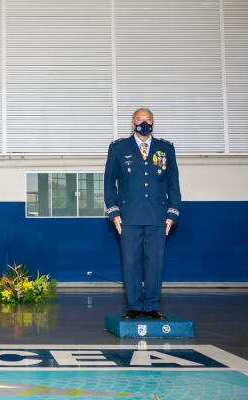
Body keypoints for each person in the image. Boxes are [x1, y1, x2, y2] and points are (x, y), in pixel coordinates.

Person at [104, 107, 181, 320]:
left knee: (155, 262)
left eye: (148, 120)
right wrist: (113, 211)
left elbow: (173, 184)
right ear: (132, 123)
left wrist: (172, 213)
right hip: (128, 217)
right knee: (130, 262)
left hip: (158, 217)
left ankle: (152, 305)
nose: (144, 123)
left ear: (154, 122)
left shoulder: (166, 149)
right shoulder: (118, 148)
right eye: (140, 120)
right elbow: (109, 183)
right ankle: (134, 305)